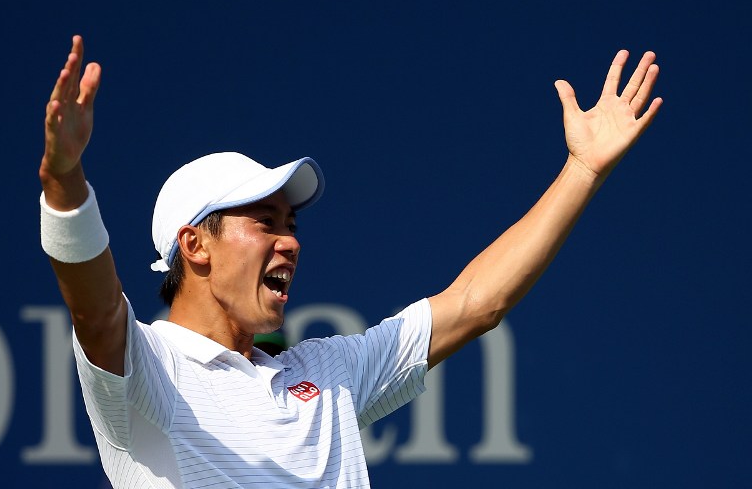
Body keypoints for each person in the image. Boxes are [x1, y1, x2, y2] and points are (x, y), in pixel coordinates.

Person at [40, 35, 662, 488]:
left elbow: (477, 303)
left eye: (292, 224)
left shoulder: (327, 372)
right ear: (194, 246)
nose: (290, 241)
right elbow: (95, 310)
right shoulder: (148, 366)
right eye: (264, 223)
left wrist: (581, 171)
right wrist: (65, 185)